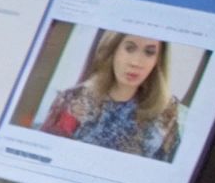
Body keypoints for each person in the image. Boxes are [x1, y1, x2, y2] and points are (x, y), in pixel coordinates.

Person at [39, 32, 183, 162]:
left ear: (158, 59)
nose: (136, 63)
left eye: (149, 52)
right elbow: (47, 159)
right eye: (129, 48)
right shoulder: (73, 99)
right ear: (113, 49)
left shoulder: (167, 111)